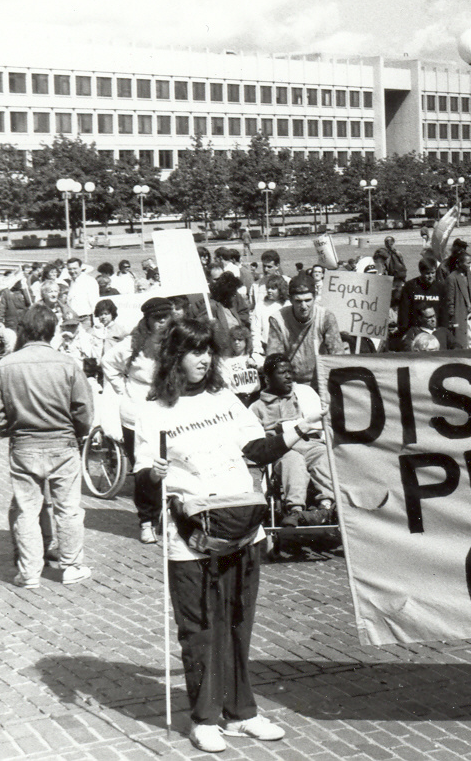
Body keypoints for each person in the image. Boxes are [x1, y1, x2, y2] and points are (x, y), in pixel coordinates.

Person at [137, 318, 287, 753]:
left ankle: (242, 714)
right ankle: (204, 717)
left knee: (239, 623)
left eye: (208, 350)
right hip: (191, 534)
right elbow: (143, 483)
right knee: (200, 626)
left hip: (241, 527)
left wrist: (295, 433)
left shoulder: (226, 399)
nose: (203, 359)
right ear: (173, 357)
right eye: (193, 351)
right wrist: (152, 473)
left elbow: (256, 449)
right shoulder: (154, 410)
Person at [0, 305, 93, 588]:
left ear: (24, 330)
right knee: (68, 508)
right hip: (63, 443)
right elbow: (83, 410)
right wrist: (76, 433)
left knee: (27, 509)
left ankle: (30, 572)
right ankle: (71, 566)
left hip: (24, 444)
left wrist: (10, 431)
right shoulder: (67, 364)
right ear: (52, 330)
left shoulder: (6, 365)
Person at [103, 296, 176, 544]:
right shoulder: (132, 344)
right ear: (147, 319)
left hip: (168, 411)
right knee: (145, 470)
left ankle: (171, 517)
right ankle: (147, 521)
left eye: (166, 316)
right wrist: (123, 389)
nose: (162, 322)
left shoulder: (176, 341)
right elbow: (108, 363)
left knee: (171, 466)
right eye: (157, 318)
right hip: (137, 412)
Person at [250, 354, 330, 527]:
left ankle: (327, 506)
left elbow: (315, 421)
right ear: (268, 378)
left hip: (307, 442)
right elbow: (257, 442)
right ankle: (296, 511)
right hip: (281, 449)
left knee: (323, 454)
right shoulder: (256, 407)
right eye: (282, 372)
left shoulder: (299, 396)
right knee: (293, 461)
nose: (289, 376)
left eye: (290, 371)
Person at [265, 272, 345, 387]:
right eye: (298, 301)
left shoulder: (325, 317)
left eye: (308, 300)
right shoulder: (278, 320)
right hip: (291, 383)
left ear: (315, 298)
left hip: (322, 382)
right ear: (291, 300)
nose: (303, 306)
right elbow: (274, 360)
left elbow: (337, 356)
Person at [441, 241, 471, 350]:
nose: (470, 265)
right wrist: (452, 318)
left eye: (470, 262)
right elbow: (450, 301)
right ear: (459, 264)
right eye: (467, 263)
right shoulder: (452, 278)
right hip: (460, 314)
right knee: (461, 343)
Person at [380, 236, 407, 306]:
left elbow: (384, 268)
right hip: (400, 278)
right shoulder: (398, 253)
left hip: (391, 279)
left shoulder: (384, 254)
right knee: (399, 296)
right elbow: (403, 265)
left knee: (391, 299)